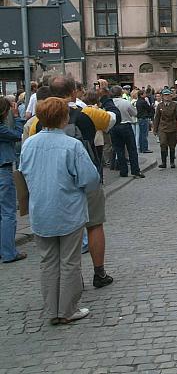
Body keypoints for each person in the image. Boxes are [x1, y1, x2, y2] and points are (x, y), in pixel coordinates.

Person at [20, 97, 101, 325]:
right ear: (64, 117)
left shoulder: (29, 144)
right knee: (69, 261)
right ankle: (67, 309)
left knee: (47, 261)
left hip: (41, 210)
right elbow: (89, 178)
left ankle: (51, 310)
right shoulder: (71, 145)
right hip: (68, 210)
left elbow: (23, 171)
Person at [0, 97, 25, 263]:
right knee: (8, 213)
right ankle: (9, 252)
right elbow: (17, 135)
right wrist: (16, 117)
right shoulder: (1, 129)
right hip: (3, 170)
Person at [109, 86, 144, 179]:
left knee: (119, 149)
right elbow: (134, 113)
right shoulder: (125, 102)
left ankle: (123, 171)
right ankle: (135, 170)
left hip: (114, 126)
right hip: (125, 125)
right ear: (120, 93)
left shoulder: (109, 103)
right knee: (131, 149)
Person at [153, 88, 177, 168]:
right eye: (165, 95)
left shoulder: (174, 104)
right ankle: (163, 162)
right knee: (163, 144)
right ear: (162, 96)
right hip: (162, 127)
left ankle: (172, 162)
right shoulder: (160, 105)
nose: (167, 97)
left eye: (168, 95)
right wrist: (155, 129)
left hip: (172, 127)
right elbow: (157, 118)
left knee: (172, 145)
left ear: (171, 96)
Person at [135, 89, 154, 154]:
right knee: (144, 134)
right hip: (144, 118)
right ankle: (144, 148)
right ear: (141, 95)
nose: (145, 95)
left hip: (140, 118)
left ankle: (141, 148)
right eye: (144, 93)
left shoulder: (138, 101)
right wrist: (151, 107)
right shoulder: (143, 101)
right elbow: (148, 108)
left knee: (141, 134)